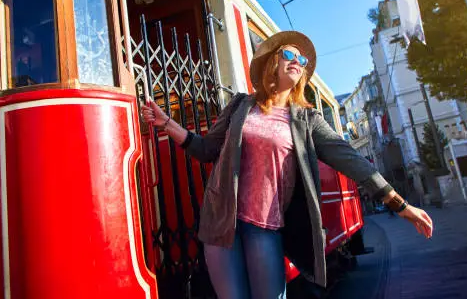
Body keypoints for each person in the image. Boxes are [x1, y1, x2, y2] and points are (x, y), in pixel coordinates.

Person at [141, 31, 433, 299]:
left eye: (302, 60)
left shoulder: (308, 121)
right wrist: (166, 122)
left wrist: (400, 205)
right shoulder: (240, 106)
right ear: (272, 63)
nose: (297, 61)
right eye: (289, 55)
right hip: (220, 223)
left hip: (264, 228)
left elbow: (352, 160)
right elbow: (206, 150)